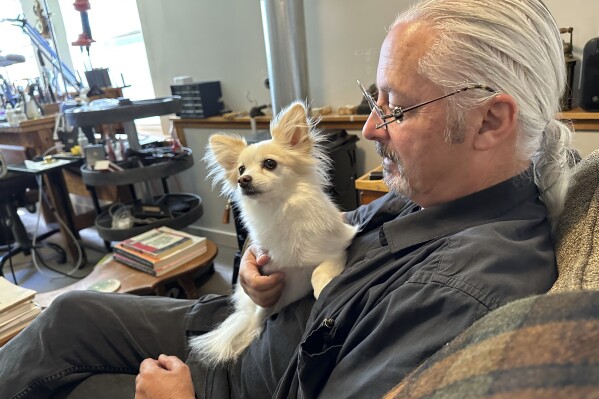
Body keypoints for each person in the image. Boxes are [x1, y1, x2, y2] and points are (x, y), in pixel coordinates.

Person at [0, 0, 574, 397]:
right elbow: (331, 231)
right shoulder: (429, 195)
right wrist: (256, 271)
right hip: (252, 321)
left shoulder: (460, 290)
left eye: (395, 107)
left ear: (489, 121)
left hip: (242, 382)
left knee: (63, 377)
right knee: (69, 312)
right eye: (372, 101)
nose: (372, 129)